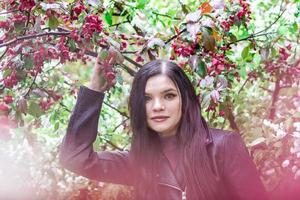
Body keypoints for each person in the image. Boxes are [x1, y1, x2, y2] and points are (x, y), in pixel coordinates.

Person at [59, 51, 269, 200]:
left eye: (168, 96)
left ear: (184, 99)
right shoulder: (139, 162)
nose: (157, 106)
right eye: (147, 98)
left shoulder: (222, 147)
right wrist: (95, 90)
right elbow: (75, 158)